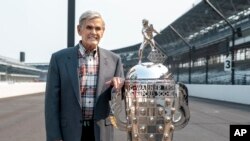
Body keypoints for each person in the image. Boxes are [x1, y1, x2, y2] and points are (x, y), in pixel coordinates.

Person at [45, 10, 124, 141]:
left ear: (103, 32)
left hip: (101, 133)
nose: (94, 32)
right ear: (79, 30)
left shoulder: (114, 60)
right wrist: (54, 137)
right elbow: (51, 103)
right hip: (69, 133)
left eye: (98, 28)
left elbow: (119, 100)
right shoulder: (59, 59)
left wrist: (120, 87)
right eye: (89, 27)